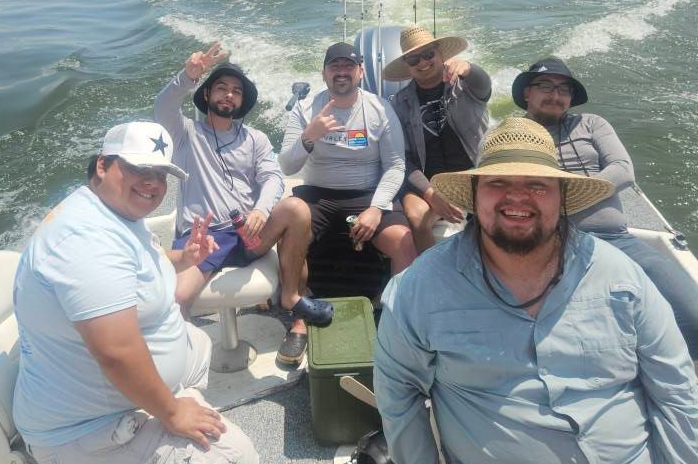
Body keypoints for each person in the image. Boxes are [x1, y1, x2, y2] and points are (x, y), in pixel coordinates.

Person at [374, 117, 698, 464]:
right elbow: (397, 396)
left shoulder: (620, 275)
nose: (517, 197)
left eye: (537, 185)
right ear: (475, 195)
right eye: (498, 183)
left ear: (562, 198)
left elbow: (676, 394)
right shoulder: (418, 291)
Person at [13, 121, 259, 464]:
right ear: (103, 166)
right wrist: (172, 412)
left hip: (104, 399)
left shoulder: (111, 212)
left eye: (161, 174)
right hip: (83, 431)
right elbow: (115, 351)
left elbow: (138, 265)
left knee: (195, 344)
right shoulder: (85, 241)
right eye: (139, 169)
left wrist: (183, 256)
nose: (153, 183)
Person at [154, 44, 331, 366]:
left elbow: (273, 178)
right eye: (221, 88)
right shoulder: (185, 133)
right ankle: (184, 363)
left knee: (297, 209)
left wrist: (261, 210)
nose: (229, 95)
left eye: (236, 91)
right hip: (202, 238)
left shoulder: (255, 139)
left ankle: (293, 307)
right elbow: (163, 106)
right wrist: (188, 75)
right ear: (206, 94)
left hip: (249, 233)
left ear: (242, 101)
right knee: (177, 298)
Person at [512, 55, 698, 358]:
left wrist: (571, 196)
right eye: (545, 85)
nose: (555, 95)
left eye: (564, 89)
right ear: (526, 93)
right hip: (543, 245)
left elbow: (623, 169)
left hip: (616, 241)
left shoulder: (591, 123)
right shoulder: (510, 134)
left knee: (692, 313)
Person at [279, 41, 417, 295]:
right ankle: (297, 305)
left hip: (367, 194)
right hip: (317, 195)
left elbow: (395, 165)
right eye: (334, 66)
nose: (341, 71)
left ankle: (397, 312)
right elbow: (287, 166)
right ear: (323, 74)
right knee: (288, 239)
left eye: (349, 66)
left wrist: (377, 208)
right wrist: (309, 136)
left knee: (403, 241)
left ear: (360, 72)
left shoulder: (381, 109)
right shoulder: (305, 109)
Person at [384, 24, 492, 251]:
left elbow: (484, 86)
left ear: (440, 54)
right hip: (431, 183)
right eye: (413, 59)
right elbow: (402, 158)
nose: (422, 63)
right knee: (417, 217)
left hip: (475, 176)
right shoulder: (399, 104)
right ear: (407, 66)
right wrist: (430, 193)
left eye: (428, 54)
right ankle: (428, 269)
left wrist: (469, 68)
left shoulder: (466, 85)